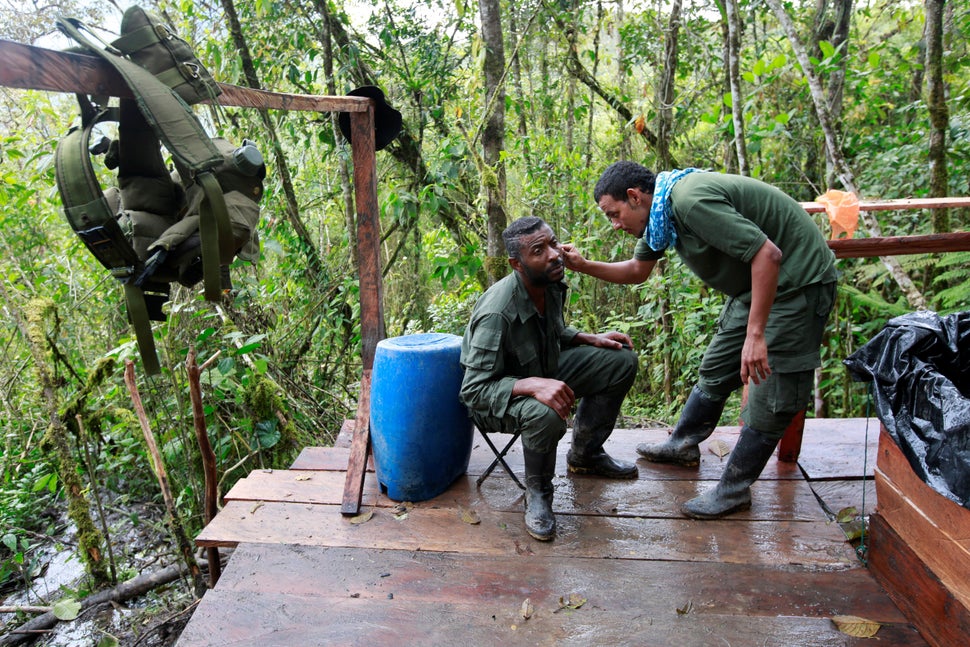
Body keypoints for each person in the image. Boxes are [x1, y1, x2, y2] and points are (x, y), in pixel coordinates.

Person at [562, 161, 838, 520]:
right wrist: (583, 265)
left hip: (796, 285)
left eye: (614, 214)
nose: (615, 225)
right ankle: (682, 444)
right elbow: (636, 271)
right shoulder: (660, 216)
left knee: (772, 394)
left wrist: (756, 335)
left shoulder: (689, 201)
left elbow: (767, 254)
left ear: (634, 197)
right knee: (717, 366)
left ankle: (733, 490)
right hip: (753, 289)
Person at [459, 216, 640, 541]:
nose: (554, 254)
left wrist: (586, 337)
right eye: (539, 250)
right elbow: (473, 391)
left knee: (620, 360)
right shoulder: (497, 312)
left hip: (544, 368)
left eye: (554, 243)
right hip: (497, 398)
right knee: (544, 413)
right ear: (517, 263)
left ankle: (586, 455)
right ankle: (539, 494)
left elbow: (551, 331)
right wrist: (531, 385)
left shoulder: (551, 281)